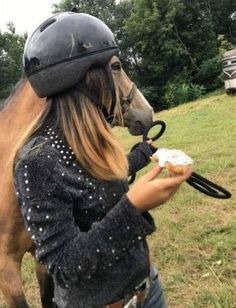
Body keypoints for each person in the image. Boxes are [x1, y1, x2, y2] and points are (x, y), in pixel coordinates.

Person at [13, 12, 192, 308]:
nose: (118, 79)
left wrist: (142, 155)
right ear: (88, 76)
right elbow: (65, 266)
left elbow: (99, 180)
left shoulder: (91, 136)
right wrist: (134, 206)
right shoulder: (37, 160)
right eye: (114, 68)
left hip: (148, 290)